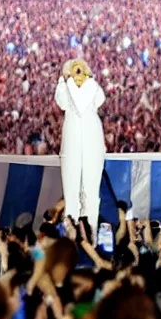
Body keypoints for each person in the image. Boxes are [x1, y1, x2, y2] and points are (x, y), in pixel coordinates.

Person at [54, 59, 106, 243]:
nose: (77, 73)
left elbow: (85, 102)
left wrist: (84, 79)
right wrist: (65, 79)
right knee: (71, 195)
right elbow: (63, 102)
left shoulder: (92, 87)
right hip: (71, 144)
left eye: (80, 70)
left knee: (91, 195)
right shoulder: (64, 88)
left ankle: (91, 239)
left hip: (93, 143)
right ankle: (71, 239)